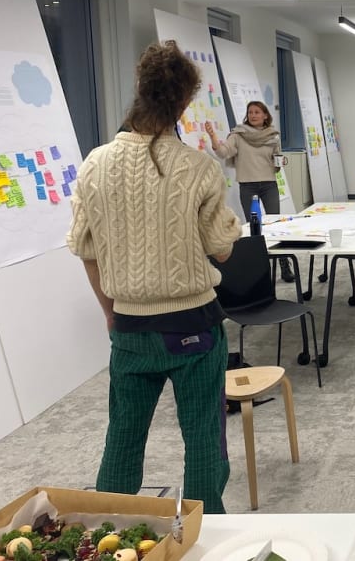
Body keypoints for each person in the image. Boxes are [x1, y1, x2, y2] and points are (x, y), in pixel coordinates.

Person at [67, 41, 241, 514]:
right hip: (195, 327)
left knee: (122, 438)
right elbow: (221, 249)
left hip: (129, 326)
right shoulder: (199, 168)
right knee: (204, 438)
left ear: (139, 91)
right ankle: (207, 533)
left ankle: (112, 531)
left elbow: (86, 251)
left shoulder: (95, 165)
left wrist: (111, 314)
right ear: (184, 103)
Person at [205, 101, 293, 282]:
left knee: (276, 225)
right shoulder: (238, 135)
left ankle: (285, 265)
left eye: (257, 112)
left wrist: (281, 162)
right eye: (250, 112)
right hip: (248, 186)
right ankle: (260, 269)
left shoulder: (273, 136)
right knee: (255, 229)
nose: (253, 115)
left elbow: (277, 160)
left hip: (269, 185)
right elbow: (223, 152)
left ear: (265, 115)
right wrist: (213, 137)